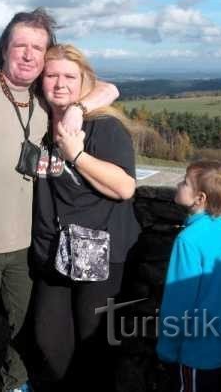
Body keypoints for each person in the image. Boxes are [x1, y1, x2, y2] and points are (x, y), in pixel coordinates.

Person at [0, 9, 119, 392]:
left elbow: (108, 88)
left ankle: (16, 385)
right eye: (20, 45)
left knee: (26, 325)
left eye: (38, 48)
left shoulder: (45, 97)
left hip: (28, 243)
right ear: (4, 49)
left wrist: (78, 110)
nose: (29, 55)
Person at [30, 44, 141, 391]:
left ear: (83, 82)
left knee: (95, 350)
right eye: (51, 75)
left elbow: (124, 187)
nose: (60, 83)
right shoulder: (38, 122)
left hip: (100, 255)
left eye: (69, 76)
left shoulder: (103, 127)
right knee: (49, 340)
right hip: (53, 253)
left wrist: (76, 154)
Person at [156, 160, 221, 392]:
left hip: (195, 352)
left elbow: (178, 302)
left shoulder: (188, 240)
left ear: (200, 198)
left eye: (185, 182)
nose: (178, 184)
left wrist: (167, 348)